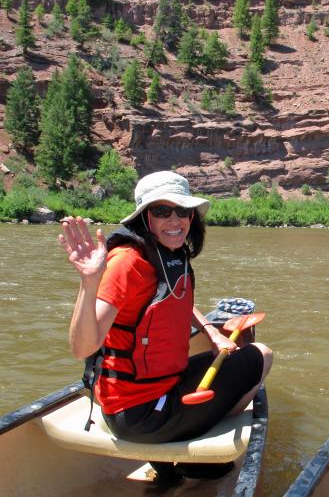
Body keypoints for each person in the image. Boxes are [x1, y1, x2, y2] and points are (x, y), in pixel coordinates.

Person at [59, 170, 273, 460]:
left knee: (242, 357)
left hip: (164, 385)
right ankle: (208, 435)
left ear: (191, 217)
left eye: (183, 211)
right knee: (261, 354)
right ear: (145, 217)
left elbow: (176, 297)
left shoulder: (168, 255)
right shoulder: (126, 263)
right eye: (162, 211)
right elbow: (83, 347)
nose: (175, 220)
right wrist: (89, 281)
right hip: (139, 413)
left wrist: (210, 332)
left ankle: (193, 430)